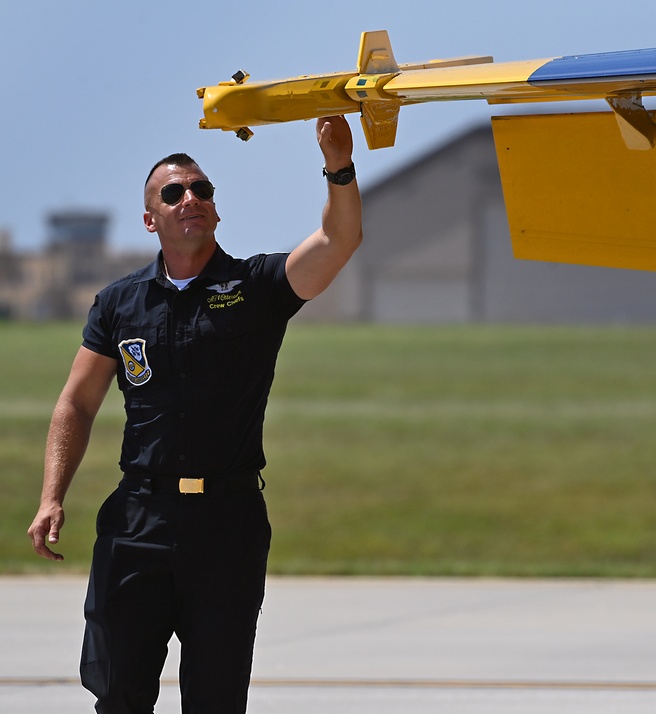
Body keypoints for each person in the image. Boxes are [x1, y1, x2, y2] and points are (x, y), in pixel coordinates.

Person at [26, 115, 362, 713]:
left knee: (216, 699)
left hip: (226, 525)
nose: (192, 199)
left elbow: (338, 242)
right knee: (120, 694)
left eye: (203, 190)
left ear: (216, 209)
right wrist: (53, 494)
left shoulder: (256, 285)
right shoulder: (119, 303)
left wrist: (337, 164)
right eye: (174, 193)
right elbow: (76, 401)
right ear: (151, 219)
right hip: (139, 521)